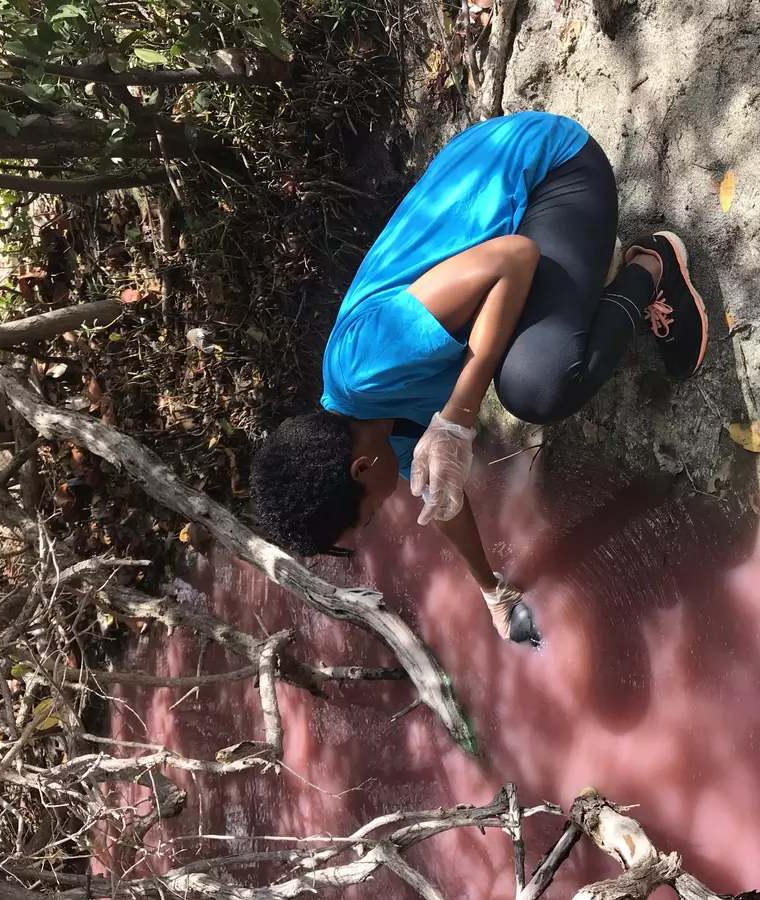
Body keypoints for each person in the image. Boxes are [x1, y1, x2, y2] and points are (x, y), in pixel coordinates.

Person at [250, 111, 708, 645]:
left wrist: (459, 416)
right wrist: (492, 591)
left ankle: (652, 267)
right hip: (498, 193)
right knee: (514, 372)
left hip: (553, 168)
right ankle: (587, 288)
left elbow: (514, 257)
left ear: (360, 469)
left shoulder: (367, 364)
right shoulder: (369, 430)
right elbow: (441, 500)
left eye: (371, 512)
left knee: (536, 387)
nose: (385, 506)